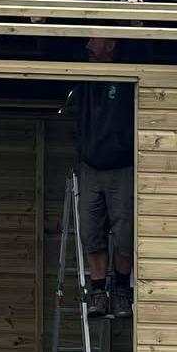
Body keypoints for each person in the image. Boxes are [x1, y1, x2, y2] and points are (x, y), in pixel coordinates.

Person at [70, 36, 134, 316]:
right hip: (91, 167)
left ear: (112, 44)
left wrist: (137, 22)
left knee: (126, 233)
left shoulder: (128, 68)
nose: (87, 45)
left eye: (94, 39)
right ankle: (98, 291)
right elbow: (58, 52)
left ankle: (122, 290)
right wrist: (42, 21)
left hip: (122, 166)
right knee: (90, 231)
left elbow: (145, 47)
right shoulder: (83, 73)